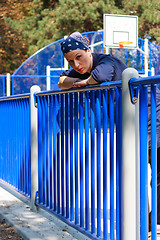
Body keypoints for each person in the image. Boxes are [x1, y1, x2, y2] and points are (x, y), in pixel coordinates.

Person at [58, 32, 127, 89]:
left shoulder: (107, 60)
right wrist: (78, 81)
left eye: (78, 57)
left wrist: (86, 82)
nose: (76, 65)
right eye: (70, 61)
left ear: (88, 51)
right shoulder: (82, 70)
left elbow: (100, 76)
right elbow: (61, 82)